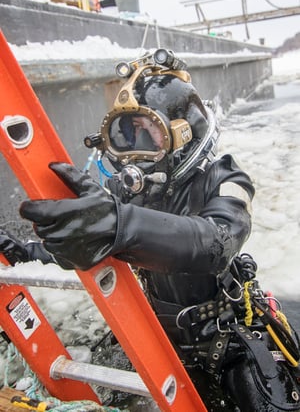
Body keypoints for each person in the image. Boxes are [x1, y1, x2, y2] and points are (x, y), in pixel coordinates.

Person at [1, 49, 299, 411]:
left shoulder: (226, 178)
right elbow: (91, 238)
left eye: (147, 135)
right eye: (125, 135)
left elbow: (216, 242)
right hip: (156, 335)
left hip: (223, 341)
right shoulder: (131, 194)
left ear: (183, 134)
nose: (133, 154)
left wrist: (120, 224)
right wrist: (23, 253)